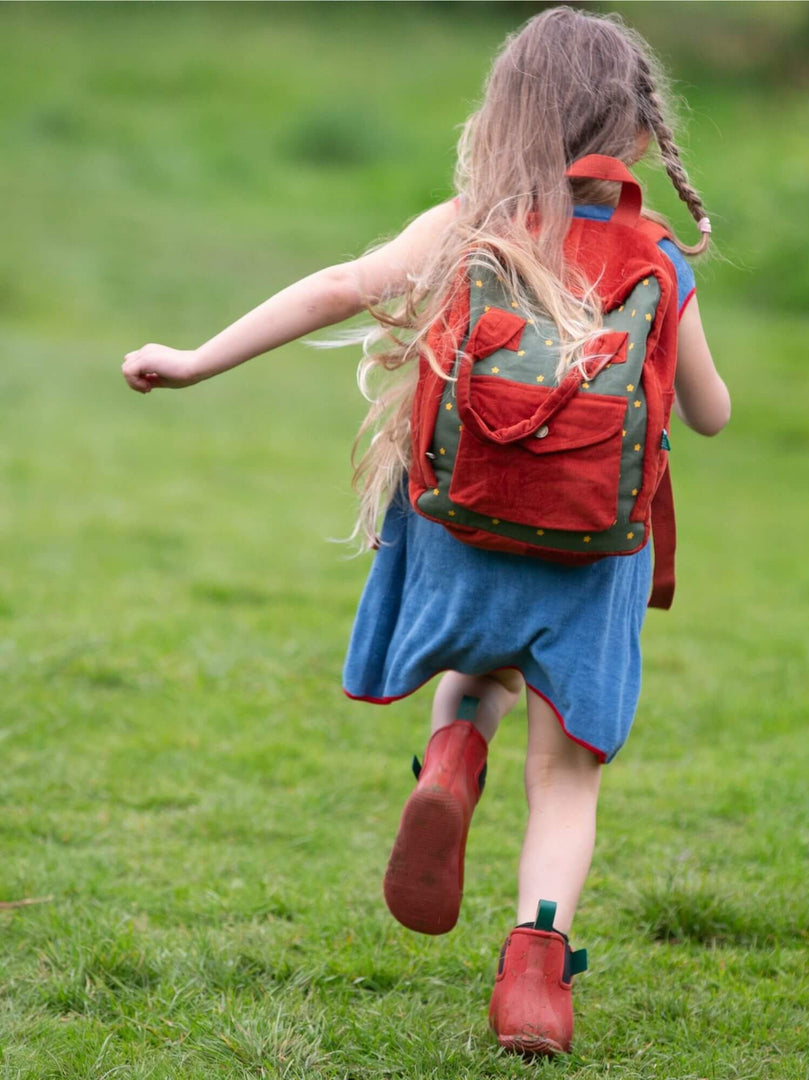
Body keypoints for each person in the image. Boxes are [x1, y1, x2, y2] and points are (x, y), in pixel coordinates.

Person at [121, 5, 730, 1056]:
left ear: (511, 117)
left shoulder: (471, 224)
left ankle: (452, 751)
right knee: (566, 770)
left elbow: (339, 290)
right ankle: (537, 967)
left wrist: (191, 359)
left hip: (462, 525)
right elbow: (712, 413)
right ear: (634, 133)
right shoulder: (655, 256)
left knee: (478, 663)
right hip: (591, 555)